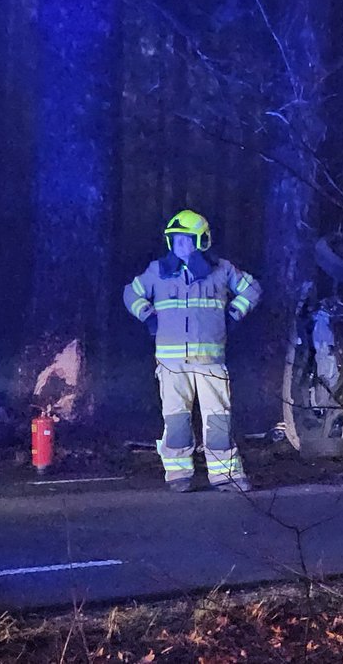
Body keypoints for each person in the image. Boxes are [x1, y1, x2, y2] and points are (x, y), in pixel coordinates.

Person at [122, 210, 262, 493]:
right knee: (175, 419)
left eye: (186, 240)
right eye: (175, 240)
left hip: (210, 360)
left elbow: (252, 289)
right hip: (172, 363)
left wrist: (234, 313)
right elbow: (131, 294)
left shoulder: (222, 270)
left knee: (218, 419)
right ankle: (178, 475)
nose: (180, 246)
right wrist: (147, 315)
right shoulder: (158, 271)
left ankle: (226, 475)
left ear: (201, 241)